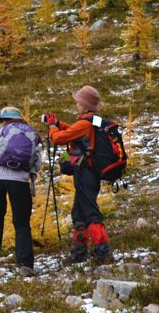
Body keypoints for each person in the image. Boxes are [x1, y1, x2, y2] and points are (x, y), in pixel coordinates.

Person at [45, 85, 112, 263]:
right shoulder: (95, 120)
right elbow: (75, 131)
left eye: (78, 102)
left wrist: (52, 127)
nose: (76, 105)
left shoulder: (84, 123)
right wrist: (58, 124)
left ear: (84, 104)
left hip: (84, 171)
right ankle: (80, 251)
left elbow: (58, 138)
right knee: (79, 212)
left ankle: (102, 252)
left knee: (89, 211)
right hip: (92, 171)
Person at [0, 106, 42, 277]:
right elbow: (37, 165)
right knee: (21, 222)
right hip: (19, 182)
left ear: (2, 121)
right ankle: (25, 264)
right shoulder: (31, 135)